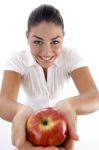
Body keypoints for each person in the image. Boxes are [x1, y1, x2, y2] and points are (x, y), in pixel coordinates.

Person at [0, 4, 99, 150]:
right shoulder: (17, 60)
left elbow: (94, 95)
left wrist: (69, 105)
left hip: (64, 131)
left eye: (55, 42)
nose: (46, 53)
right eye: (37, 42)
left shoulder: (70, 56)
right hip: (29, 132)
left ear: (63, 38)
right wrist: (20, 112)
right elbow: (3, 101)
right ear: (27, 37)